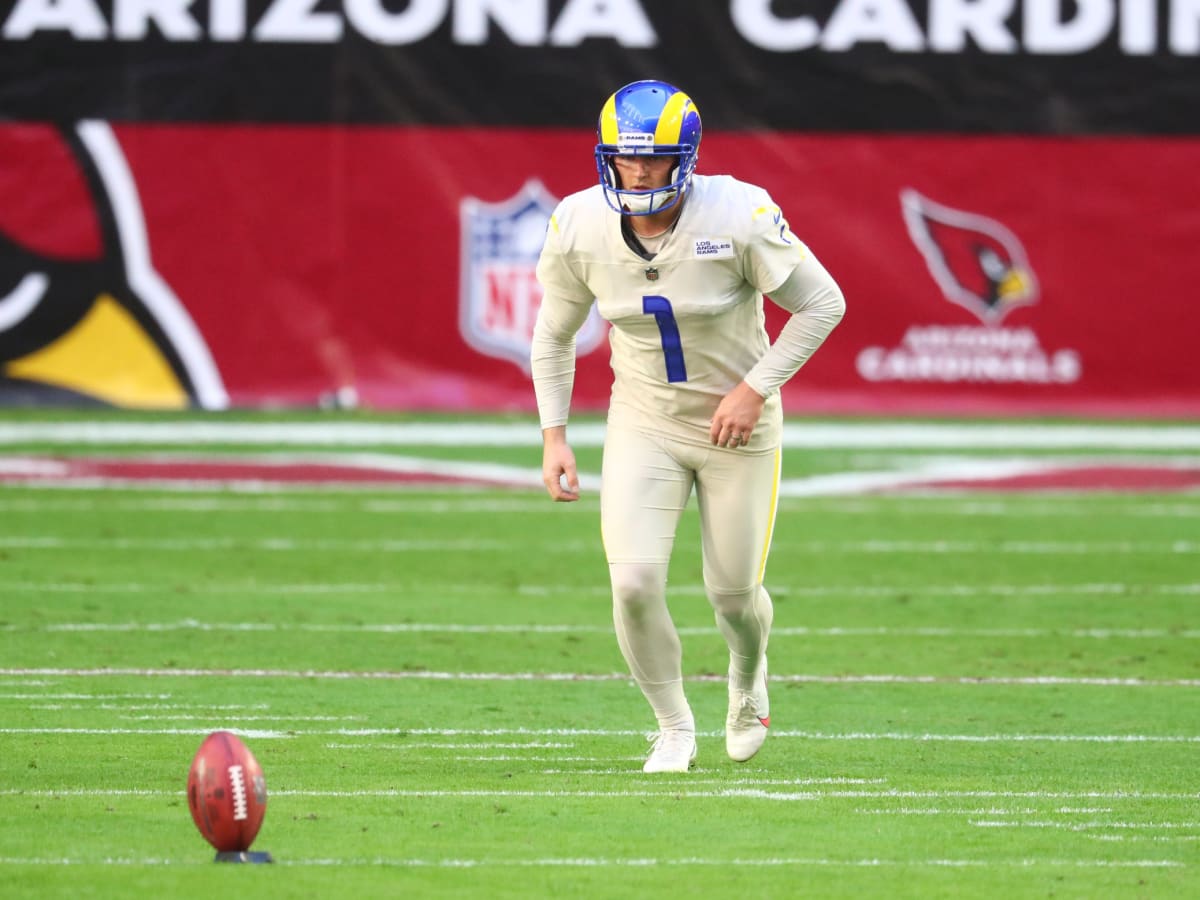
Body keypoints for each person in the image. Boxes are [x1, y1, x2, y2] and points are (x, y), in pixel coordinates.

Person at [531, 79, 845, 773]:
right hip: (644, 419)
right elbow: (553, 335)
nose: (637, 171)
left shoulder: (738, 213)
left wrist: (755, 389)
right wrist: (554, 433)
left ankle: (746, 673)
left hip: (737, 429)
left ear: (687, 156)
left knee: (733, 595)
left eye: (654, 158)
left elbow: (823, 303)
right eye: (624, 158)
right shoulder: (578, 223)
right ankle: (673, 727)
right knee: (634, 582)